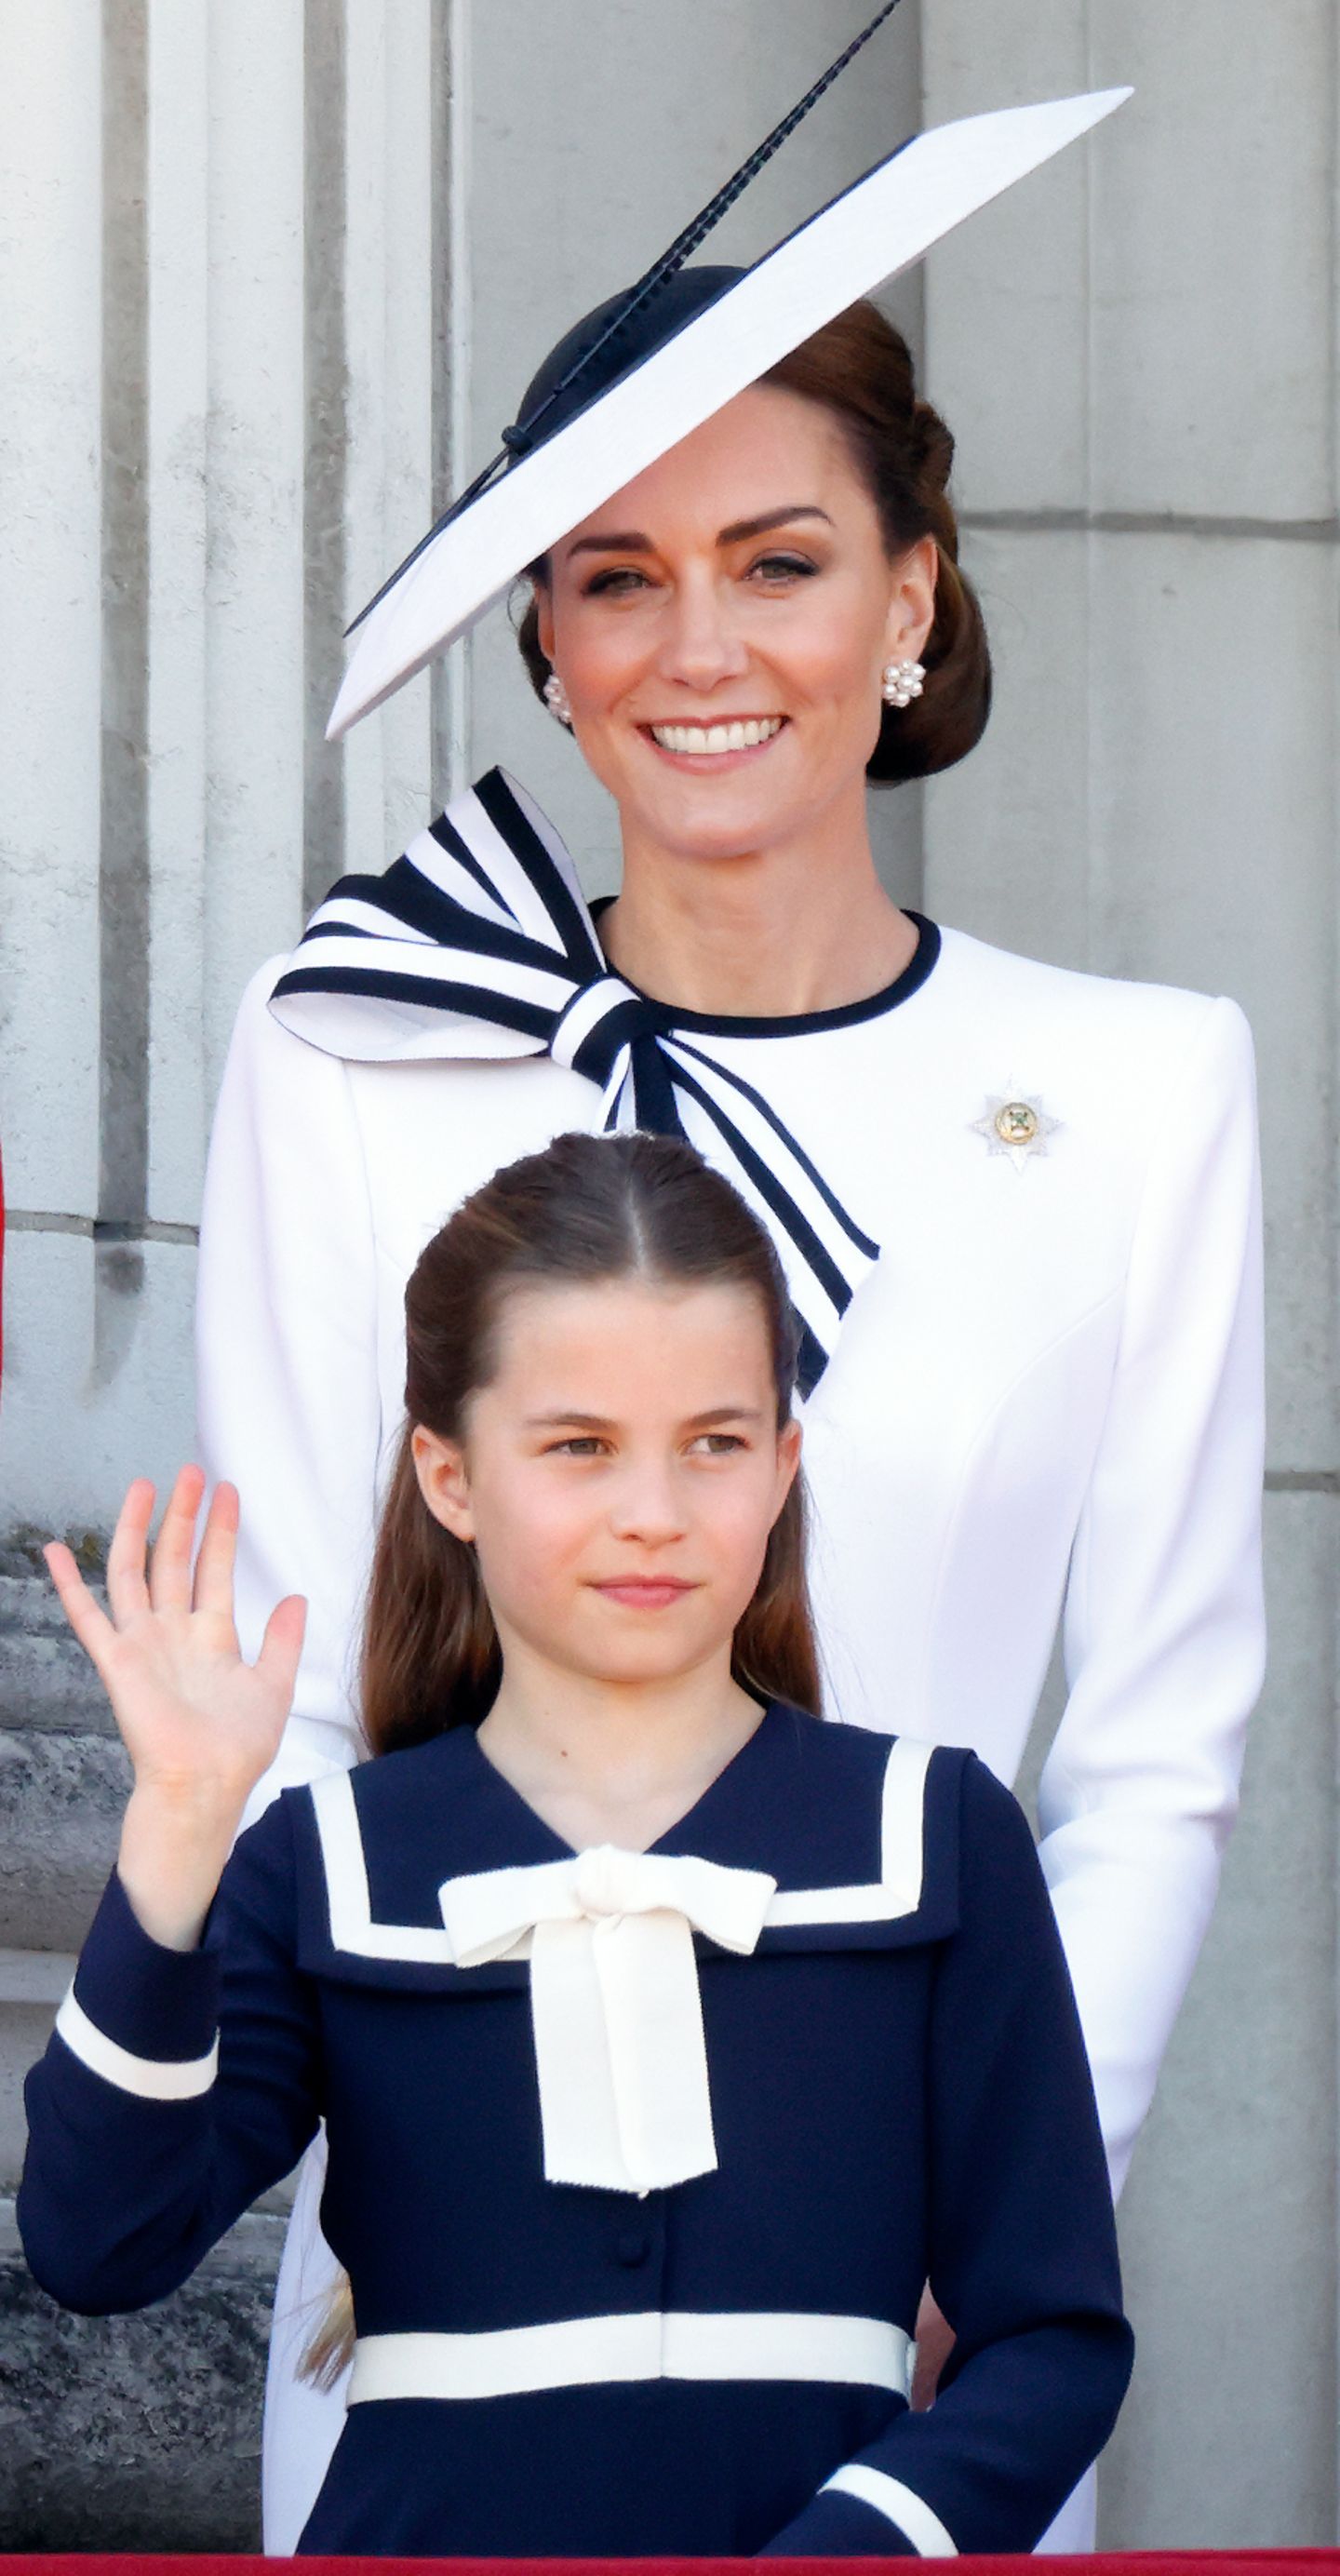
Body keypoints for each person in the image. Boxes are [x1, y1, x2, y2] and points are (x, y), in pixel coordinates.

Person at [194, 53, 1261, 2555]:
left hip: (912, 2317)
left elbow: (1155, 1764)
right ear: (544, 639)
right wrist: (426, 2151)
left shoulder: (1135, 1093)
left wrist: (976, 2226)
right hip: (448, 2289)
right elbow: (281, 1698)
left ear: (910, 597)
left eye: (779, 561)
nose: (701, 647)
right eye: (614, 572)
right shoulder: (352, 1051)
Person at [21, 1134, 1132, 2558]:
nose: (655, 1514)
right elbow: (97, 2245)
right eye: (579, 1447)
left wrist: (857, 2547)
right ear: (449, 1475)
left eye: (717, 1443)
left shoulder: (936, 1834)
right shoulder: (331, 1864)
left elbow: (1053, 2338)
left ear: (786, 1463)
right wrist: (179, 1828)